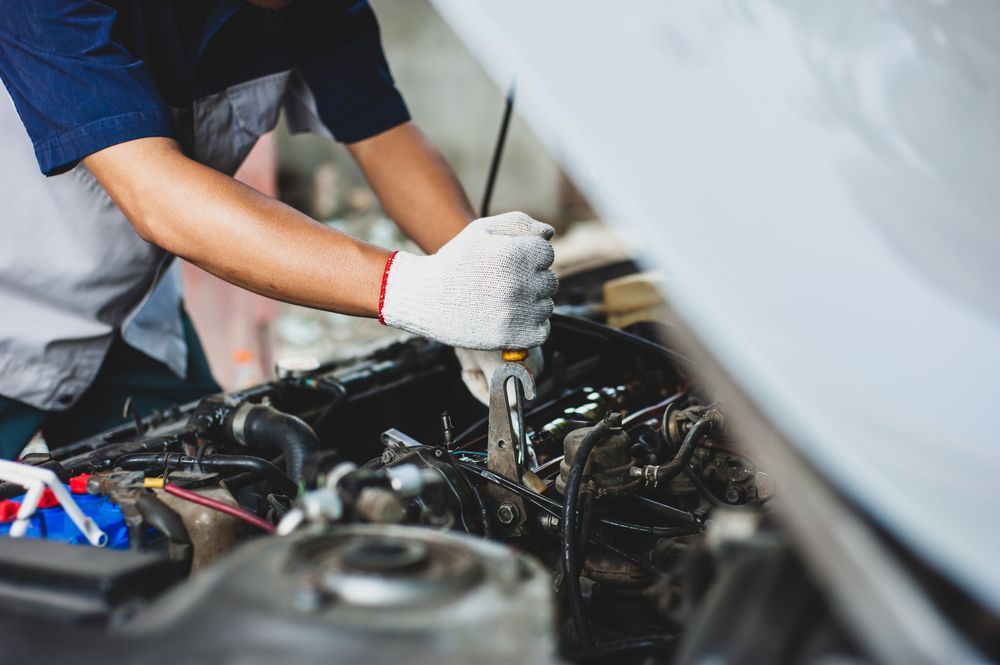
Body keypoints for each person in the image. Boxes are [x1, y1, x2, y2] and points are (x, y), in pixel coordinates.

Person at [0, 0, 556, 459]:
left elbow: (385, 136)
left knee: (212, 506)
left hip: (133, 315)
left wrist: (478, 277)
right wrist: (415, 290)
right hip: (11, 310)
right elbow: (157, 195)